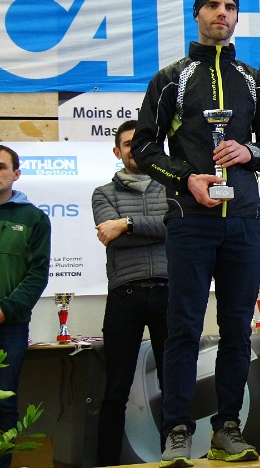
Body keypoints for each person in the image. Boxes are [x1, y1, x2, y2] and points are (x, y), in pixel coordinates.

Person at [133, 0, 260, 467]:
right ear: (197, 14)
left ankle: (227, 429)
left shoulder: (254, 81)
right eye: (213, 6)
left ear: (237, 17)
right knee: (183, 327)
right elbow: (144, 146)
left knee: (237, 328)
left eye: (229, 7)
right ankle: (176, 430)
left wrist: (248, 151)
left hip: (242, 220)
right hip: (190, 218)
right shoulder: (171, 79)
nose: (222, 13)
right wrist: (186, 178)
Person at [93, 120, 169, 467]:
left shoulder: (172, 188)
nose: (134, 150)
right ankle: (107, 463)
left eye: (140, 143)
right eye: (127, 144)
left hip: (169, 291)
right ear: (117, 151)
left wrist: (126, 223)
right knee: (116, 390)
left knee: (173, 385)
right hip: (125, 294)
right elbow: (111, 238)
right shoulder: (103, 194)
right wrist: (129, 230)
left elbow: (175, 226)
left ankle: (173, 458)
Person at [0, 145, 50, 468]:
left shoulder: (34, 218)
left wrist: (4, 310)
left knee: (3, 402)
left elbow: (37, 274)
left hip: (10, 325)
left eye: (1, 167)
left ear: (16, 174)